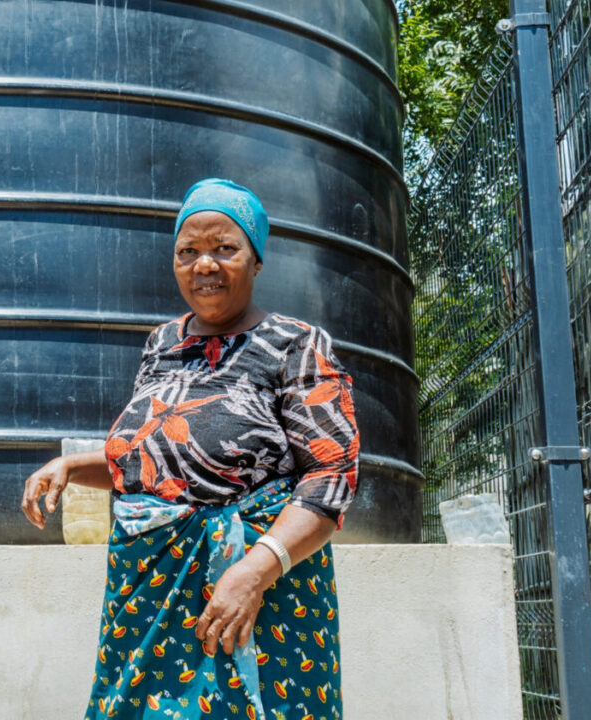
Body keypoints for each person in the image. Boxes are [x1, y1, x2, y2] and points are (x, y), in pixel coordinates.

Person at [21, 179, 359, 719]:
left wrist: (253, 573)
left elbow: (331, 478)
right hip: (150, 585)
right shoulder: (162, 344)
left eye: (225, 248)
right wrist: (72, 466)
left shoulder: (294, 343)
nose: (205, 264)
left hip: (257, 588)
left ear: (256, 260)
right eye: (188, 251)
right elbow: (154, 460)